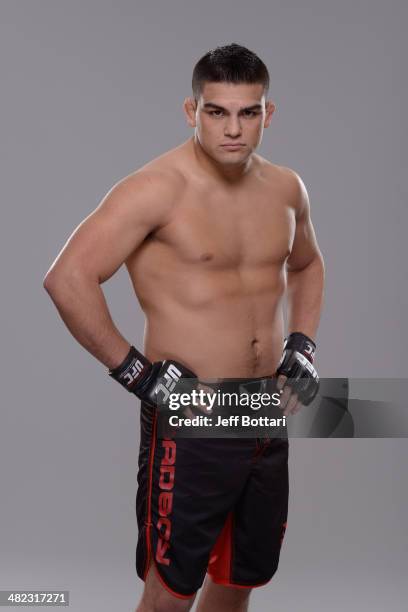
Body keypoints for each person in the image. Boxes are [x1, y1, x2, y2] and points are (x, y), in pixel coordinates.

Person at [43, 43, 324, 612]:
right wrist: (136, 374)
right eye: (216, 111)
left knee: (238, 580)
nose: (233, 129)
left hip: (264, 410)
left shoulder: (287, 189)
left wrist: (303, 343)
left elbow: (308, 264)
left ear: (268, 113)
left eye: (248, 112)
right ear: (192, 111)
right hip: (192, 414)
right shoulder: (154, 190)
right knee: (170, 593)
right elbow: (67, 278)